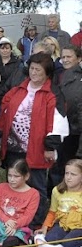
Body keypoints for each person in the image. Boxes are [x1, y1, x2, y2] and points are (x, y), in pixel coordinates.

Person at [0, 52, 68, 228]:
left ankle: (36, 223)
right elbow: (4, 113)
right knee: (14, 182)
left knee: (36, 186)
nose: (34, 73)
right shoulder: (17, 89)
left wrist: (50, 146)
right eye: (32, 69)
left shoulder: (52, 95)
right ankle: (13, 218)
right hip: (14, 146)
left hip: (37, 149)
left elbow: (58, 122)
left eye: (38, 70)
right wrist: (0, 136)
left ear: (47, 73)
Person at [0, 158, 37, 247]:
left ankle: (20, 240)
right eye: (9, 175)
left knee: (9, 243)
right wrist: (6, 220)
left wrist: (15, 225)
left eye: (16, 176)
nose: (12, 179)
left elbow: (28, 216)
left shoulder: (33, 194)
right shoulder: (1, 187)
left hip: (17, 225)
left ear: (26, 176)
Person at [34, 158, 82, 247]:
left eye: (73, 174)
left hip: (79, 226)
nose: (68, 177)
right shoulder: (57, 191)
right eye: (67, 173)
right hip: (62, 223)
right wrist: (45, 227)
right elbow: (52, 212)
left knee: (68, 244)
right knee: (50, 239)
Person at [51, 44, 82, 187]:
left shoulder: (77, 77)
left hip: (74, 128)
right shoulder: (58, 74)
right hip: (60, 127)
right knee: (58, 164)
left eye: (69, 56)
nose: (65, 60)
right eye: (63, 57)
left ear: (79, 58)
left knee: (70, 165)